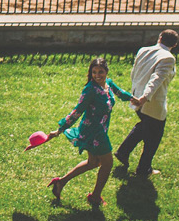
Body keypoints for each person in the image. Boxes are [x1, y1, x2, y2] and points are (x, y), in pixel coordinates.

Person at [44, 57, 135, 208]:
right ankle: (95, 197)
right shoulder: (90, 90)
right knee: (107, 163)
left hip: (100, 129)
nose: (97, 75)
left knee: (93, 162)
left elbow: (120, 92)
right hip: (94, 132)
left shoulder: (108, 84)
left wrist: (133, 99)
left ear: (106, 71)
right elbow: (77, 111)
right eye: (94, 72)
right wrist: (60, 129)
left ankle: (61, 182)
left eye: (100, 72)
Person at [115, 29, 178, 178]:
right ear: (174, 45)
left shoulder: (143, 50)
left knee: (145, 127)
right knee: (154, 137)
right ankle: (143, 169)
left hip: (138, 98)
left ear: (160, 38)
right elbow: (156, 79)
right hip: (151, 102)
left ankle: (123, 152)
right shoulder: (168, 58)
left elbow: (134, 72)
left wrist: (137, 93)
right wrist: (144, 97)